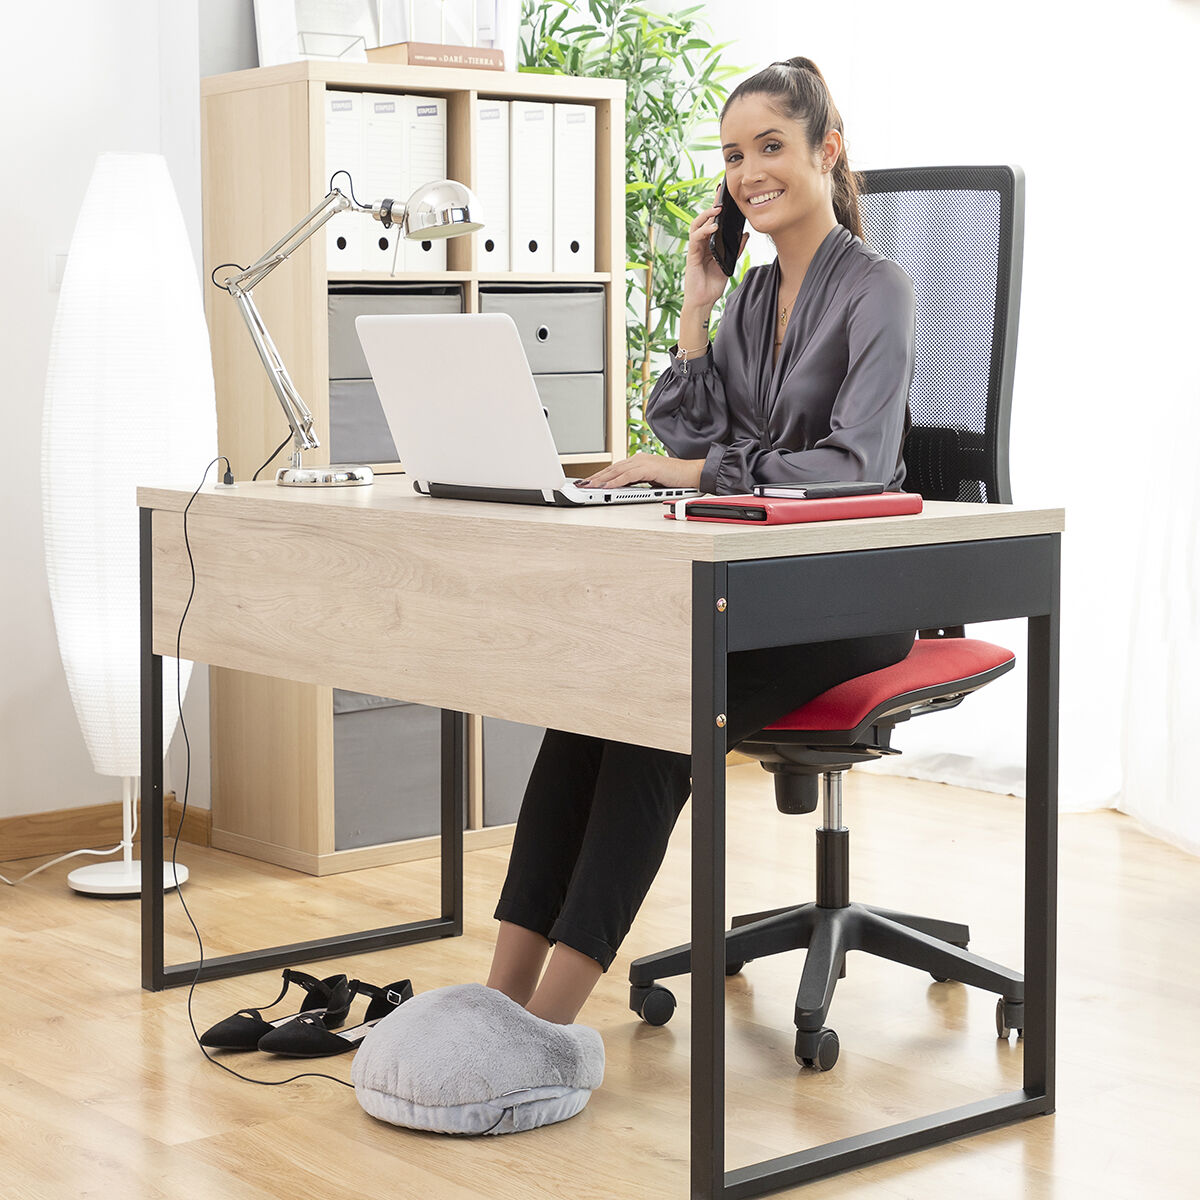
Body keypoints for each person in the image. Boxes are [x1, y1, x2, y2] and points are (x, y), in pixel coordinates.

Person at [485, 57, 917, 1028]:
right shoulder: (753, 296)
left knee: (658, 718)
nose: (748, 172)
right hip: (751, 585)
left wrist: (694, 473)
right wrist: (695, 304)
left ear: (826, 151)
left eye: (770, 146)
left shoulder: (877, 288)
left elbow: (855, 464)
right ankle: (497, 1004)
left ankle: (545, 1028)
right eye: (732, 156)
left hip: (847, 598)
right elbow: (694, 431)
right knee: (590, 700)